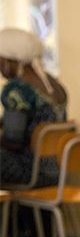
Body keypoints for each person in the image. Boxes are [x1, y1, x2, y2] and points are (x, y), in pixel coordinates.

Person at [0, 27, 68, 188]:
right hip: (57, 171)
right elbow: (38, 121)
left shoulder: (16, 89)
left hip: (30, 171)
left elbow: (13, 142)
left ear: (9, 60)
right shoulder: (55, 85)